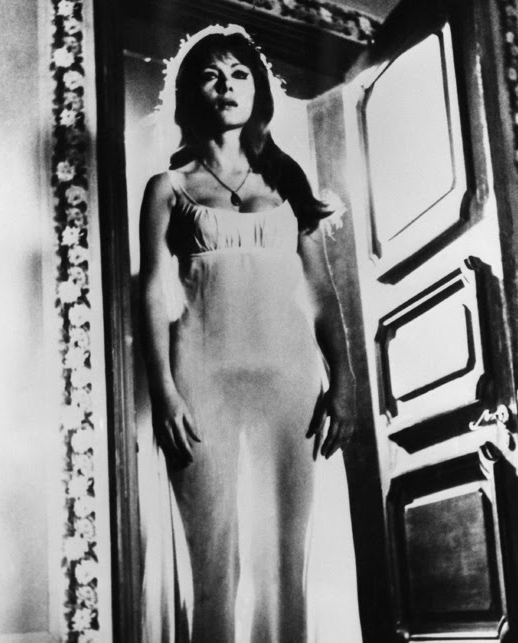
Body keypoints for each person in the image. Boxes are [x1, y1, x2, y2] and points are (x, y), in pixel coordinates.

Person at [139, 25, 358, 642]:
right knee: (212, 558)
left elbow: (321, 291)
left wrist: (344, 381)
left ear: (258, 89)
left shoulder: (288, 184)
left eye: (239, 73)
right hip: (202, 380)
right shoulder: (168, 189)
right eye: (211, 75)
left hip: (289, 381)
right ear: (191, 92)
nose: (226, 85)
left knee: (287, 558)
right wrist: (165, 393)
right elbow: (151, 292)